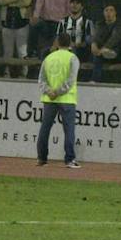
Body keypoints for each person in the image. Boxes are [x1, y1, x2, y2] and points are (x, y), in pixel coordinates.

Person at [36, 32, 81, 168]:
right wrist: (59, 91)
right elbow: (71, 80)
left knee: (45, 128)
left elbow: (41, 80)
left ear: (57, 42)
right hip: (66, 99)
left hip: (49, 99)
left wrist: (49, 91)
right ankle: (69, 159)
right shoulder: (73, 58)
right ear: (70, 44)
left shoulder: (48, 58)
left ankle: (42, 158)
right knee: (69, 130)